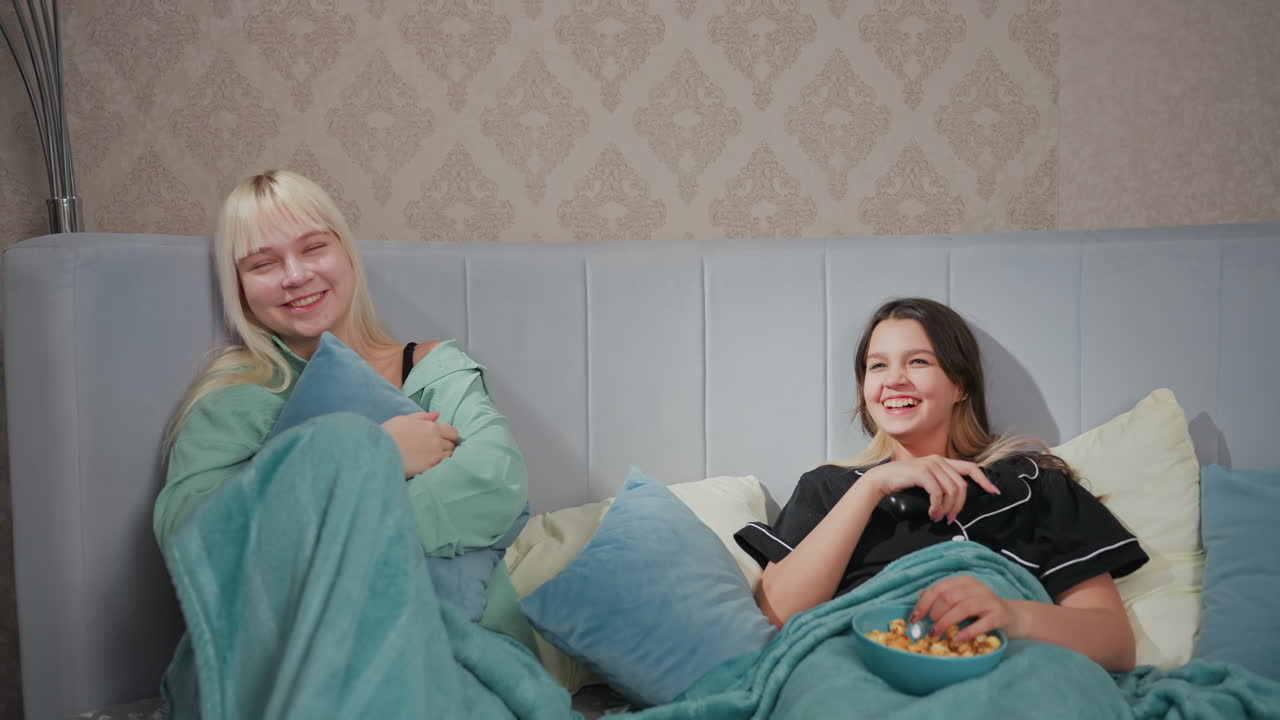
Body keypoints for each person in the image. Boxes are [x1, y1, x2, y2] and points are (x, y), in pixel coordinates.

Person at [153, 171, 538, 712]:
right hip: (292, 651)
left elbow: (496, 482)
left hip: (447, 639)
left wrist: (330, 545)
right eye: (262, 264)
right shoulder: (232, 397)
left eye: (313, 248)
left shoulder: (432, 368)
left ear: (346, 253)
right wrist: (376, 455)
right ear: (239, 287)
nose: (295, 275)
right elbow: (193, 538)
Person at [734, 297, 1148, 673]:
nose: (894, 379)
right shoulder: (830, 489)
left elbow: (1114, 644)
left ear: (960, 384)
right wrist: (872, 487)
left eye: (918, 362)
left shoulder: (1032, 484)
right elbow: (777, 621)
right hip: (860, 677)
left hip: (1000, 677)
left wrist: (1010, 615)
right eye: (878, 366)